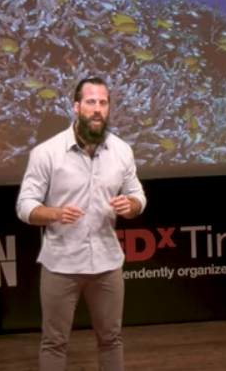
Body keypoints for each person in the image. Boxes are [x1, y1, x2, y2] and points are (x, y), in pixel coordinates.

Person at [16, 76, 147, 371]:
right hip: (61, 264)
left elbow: (138, 195)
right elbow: (24, 205)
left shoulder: (122, 151)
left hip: (107, 263)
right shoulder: (46, 153)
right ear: (76, 107)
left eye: (103, 102)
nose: (97, 109)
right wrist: (54, 213)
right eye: (90, 102)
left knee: (111, 339)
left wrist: (132, 205)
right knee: (54, 343)